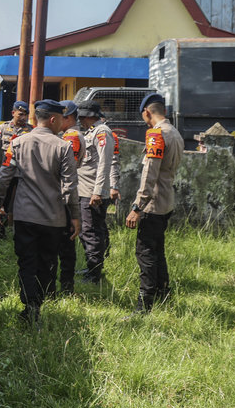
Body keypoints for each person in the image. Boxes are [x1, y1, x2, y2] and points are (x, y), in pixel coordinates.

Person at [0, 100, 80, 325]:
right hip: (53, 218)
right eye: (60, 118)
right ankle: (39, 303)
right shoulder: (64, 147)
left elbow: (4, 177)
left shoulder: (17, 143)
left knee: (26, 262)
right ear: (52, 119)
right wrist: (75, 217)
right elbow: (69, 188)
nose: (62, 122)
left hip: (25, 216)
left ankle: (30, 306)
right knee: (47, 261)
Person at [125, 93, 183, 313]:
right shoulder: (174, 132)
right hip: (167, 202)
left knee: (146, 254)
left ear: (146, 113)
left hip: (152, 204)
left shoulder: (156, 135)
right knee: (158, 251)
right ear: (164, 112)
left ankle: (144, 305)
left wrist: (137, 207)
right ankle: (163, 293)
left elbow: (150, 172)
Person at [76, 101, 117, 284]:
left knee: (91, 232)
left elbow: (104, 163)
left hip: (93, 192)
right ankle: (92, 267)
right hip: (85, 190)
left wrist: (98, 191)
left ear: (89, 116)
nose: (81, 121)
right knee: (88, 232)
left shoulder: (102, 132)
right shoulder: (92, 131)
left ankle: (94, 275)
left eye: (82, 117)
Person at [56, 100, 84, 294]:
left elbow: (68, 170)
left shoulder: (72, 137)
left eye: (61, 117)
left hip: (65, 194)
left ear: (68, 118)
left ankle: (67, 287)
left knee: (66, 244)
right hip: (62, 193)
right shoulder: (66, 135)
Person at [0, 100, 31, 182]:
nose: (24, 118)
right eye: (21, 114)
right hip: (5, 172)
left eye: (26, 115)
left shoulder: (31, 130)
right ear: (13, 113)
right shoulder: (3, 128)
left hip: (24, 174)